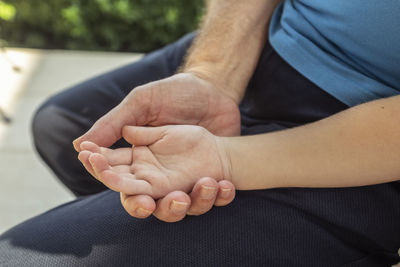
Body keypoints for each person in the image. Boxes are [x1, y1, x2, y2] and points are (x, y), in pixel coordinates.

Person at [1, 0, 399, 266]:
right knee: (62, 127)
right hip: (274, 39)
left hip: (366, 143)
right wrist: (214, 74)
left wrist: (227, 158)